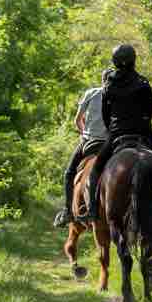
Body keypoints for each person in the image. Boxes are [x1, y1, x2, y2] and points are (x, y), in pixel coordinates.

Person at [86, 43, 152, 221]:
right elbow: (150, 110)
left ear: (115, 62)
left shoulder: (108, 86)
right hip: (143, 132)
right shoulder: (143, 83)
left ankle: (92, 211)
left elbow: (105, 114)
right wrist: (142, 125)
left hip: (117, 133)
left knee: (96, 170)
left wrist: (114, 128)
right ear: (134, 60)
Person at [52, 80, 109, 228]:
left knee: (69, 172)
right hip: (111, 142)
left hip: (90, 141)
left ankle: (68, 211)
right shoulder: (118, 95)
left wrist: (84, 132)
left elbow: (77, 120)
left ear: (103, 81)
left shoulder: (91, 93)